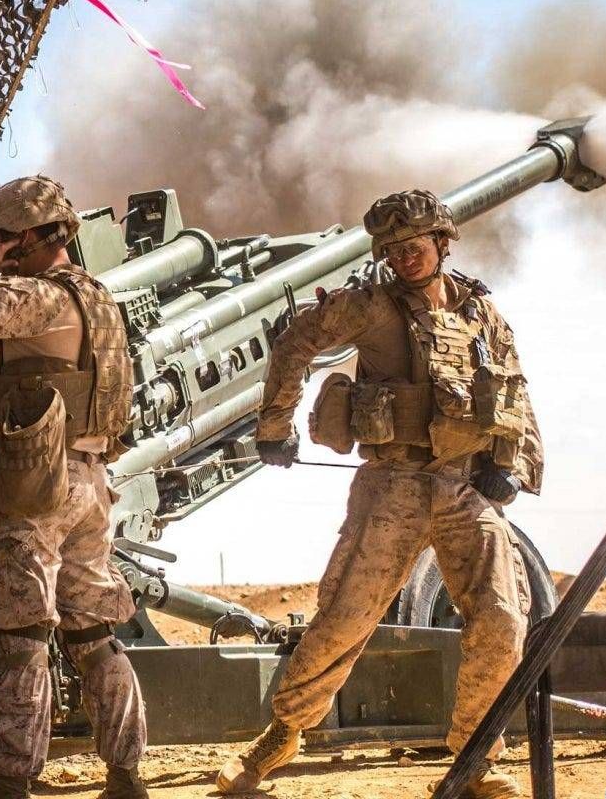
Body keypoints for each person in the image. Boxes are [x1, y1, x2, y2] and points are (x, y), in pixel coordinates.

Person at [215, 189, 544, 799]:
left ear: (442, 243)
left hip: (464, 488)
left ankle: (475, 757)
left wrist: (513, 464)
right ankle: (279, 737)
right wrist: (275, 425)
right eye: (391, 250)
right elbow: (294, 343)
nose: (403, 258)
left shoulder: (480, 313)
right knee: (344, 619)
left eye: (413, 246)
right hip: (393, 487)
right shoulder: (369, 307)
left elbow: (515, 390)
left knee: (503, 619)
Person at [0, 176, 147, 799]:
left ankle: (14, 779)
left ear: (28, 238)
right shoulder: (97, 297)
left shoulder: (39, 297)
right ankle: (126, 774)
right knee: (93, 633)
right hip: (88, 482)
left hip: (35, 484)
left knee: (22, 634)